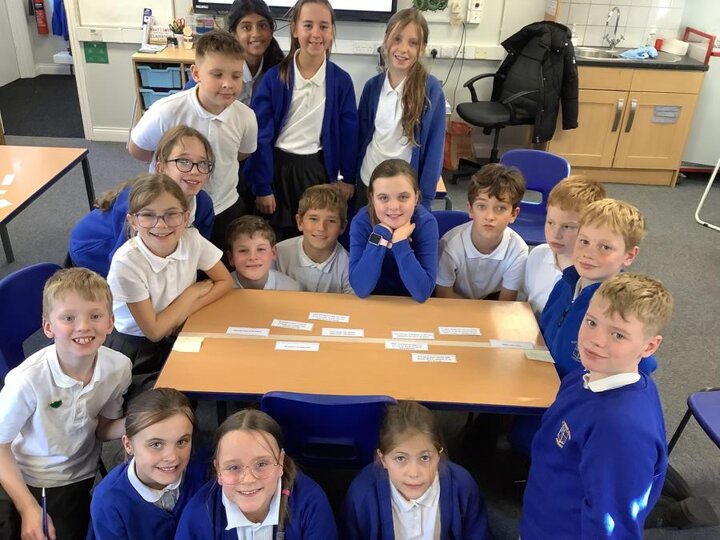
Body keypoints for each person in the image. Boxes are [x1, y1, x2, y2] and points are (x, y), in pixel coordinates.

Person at [521, 272, 673, 539]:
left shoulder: (620, 429)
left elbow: (612, 527)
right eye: (591, 322)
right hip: (543, 517)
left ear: (649, 346)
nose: (596, 340)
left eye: (618, 335)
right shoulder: (584, 375)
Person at [0, 268, 131, 540]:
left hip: (77, 476)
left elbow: (102, 428)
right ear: (48, 327)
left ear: (110, 322)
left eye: (95, 316)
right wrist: (28, 508)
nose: (83, 326)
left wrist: (137, 424)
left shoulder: (119, 368)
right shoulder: (27, 380)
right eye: (68, 318)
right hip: (29, 476)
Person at [129, 30, 258, 251]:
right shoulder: (166, 111)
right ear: (196, 73)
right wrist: (174, 163)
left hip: (223, 206)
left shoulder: (246, 117)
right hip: (170, 210)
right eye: (217, 75)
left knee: (219, 264)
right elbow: (138, 149)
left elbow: (242, 153)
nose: (227, 84)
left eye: (236, 76)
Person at [106, 174, 232, 396]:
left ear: (185, 217)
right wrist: (191, 294)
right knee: (163, 403)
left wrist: (183, 314)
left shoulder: (191, 239)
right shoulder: (126, 262)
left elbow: (224, 281)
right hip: (137, 347)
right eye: (148, 215)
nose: (161, 225)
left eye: (171, 214)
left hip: (179, 328)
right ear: (133, 221)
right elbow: (154, 331)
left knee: (212, 377)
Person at [244, 0, 358, 241]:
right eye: (308, 25)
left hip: (316, 171)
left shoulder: (341, 81)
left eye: (323, 26)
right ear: (295, 29)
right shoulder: (275, 78)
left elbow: (349, 133)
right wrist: (262, 186)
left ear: (332, 31)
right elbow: (260, 136)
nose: (316, 33)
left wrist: (348, 177)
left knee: (316, 236)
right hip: (277, 172)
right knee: (277, 239)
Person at [69, 125, 216, 276]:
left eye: (202, 163)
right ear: (161, 168)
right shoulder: (138, 203)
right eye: (183, 161)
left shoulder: (204, 204)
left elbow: (199, 256)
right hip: (96, 249)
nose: (195, 170)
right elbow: (123, 266)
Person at [175, 409, 337, 539]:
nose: (248, 479)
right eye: (234, 467)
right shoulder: (197, 516)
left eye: (261, 464)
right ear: (218, 471)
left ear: (280, 462)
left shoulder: (311, 504)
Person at [541, 198, 656, 378]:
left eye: (605, 247)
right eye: (584, 241)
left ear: (629, 255)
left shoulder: (624, 308)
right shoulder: (564, 284)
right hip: (543, 377)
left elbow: (641, 367)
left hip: (578, 392)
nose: (589, 253)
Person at [343, 401, 490, 539]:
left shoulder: (462, 486)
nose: (414, 473)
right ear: (383, 459)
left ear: (439, 456)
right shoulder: (361, 493)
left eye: (425, 458)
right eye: (400, 458)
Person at [88, 388, 207, 540]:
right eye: (156, 444)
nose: (172, 457)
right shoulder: (108, 501)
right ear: (128, 445)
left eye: (182, 441)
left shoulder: (204, 471)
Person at [357, 8, 445, 209]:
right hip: (368, 182)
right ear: (386, 40)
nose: (403, 49)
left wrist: (425, 198)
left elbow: (434, 150)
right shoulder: (372, 86)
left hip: (403, 192)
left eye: (413, 43)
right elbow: (360, 138)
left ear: (422, 48)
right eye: (397, 39)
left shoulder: (430, 90)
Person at [349, 159, 438, 302]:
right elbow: (360, 288)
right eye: (383, 197)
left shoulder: (426, 223)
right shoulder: (361, 222)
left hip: (412, 304)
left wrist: (400, 242)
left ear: (416, 198)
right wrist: (380, 236)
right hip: (375, 303)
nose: (394, 207)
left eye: (403, 197)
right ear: (372, 198)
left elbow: (422, 292)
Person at [436, 163, 528, 301]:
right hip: (455, 302)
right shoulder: (450, 245)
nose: (490, 217)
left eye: (501, 208)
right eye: (481, 206)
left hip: (492, 302)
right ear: (470, 209)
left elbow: (506, 303)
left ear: (513, 214)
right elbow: (443, 297)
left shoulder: (518, 250)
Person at [523, 175, 606, 316]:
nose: (555, 234)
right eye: (550, 222)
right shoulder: (537, 255)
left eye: (567, 227)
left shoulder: (590, 273)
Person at [185, 0, 284, 106]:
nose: (256, 34)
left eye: (263, 26)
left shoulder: (280, 72)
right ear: (233, 33)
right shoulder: (215, 67)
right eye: (247, 27)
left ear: (271, 30)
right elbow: (187, 104)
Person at [275, 184, 352, 293]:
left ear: (342, 227)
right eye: (313, 219)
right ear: (300, 222)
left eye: (331, 221)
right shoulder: (277, 254)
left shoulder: (350, 267)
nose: (321, 228)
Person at [226, 215, 301, 290]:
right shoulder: (222, 289)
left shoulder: (291, 288)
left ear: (273, 253)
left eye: (260, 249)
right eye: (243, 250)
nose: (253, 257)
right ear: (231, 257)